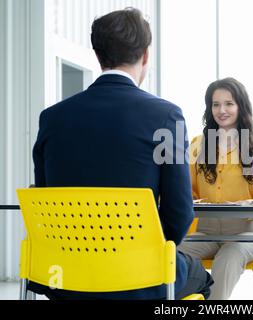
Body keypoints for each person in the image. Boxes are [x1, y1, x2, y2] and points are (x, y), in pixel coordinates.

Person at [30, 7, 212, 300]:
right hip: (138, 277)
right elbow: (179, 213)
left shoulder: (52, 118)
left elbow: (45, 194)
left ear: (99, 55)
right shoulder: (165, 116)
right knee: (202, 278)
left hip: (66, 275)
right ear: (146, 56)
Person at [178, 77, 253, 300]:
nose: (222, 110)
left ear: (240, 106)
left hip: (246, 233)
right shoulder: (197, 144)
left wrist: (245, 204)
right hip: (206, 232)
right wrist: (192, 201)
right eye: (215, 104)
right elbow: (189, 192)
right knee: (171, 254)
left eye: (229, 103)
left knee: (228, 257)